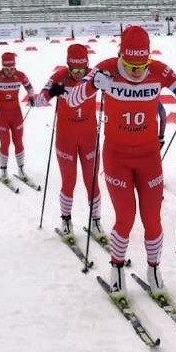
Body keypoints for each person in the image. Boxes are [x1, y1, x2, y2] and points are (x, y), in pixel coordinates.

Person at [67, 25, 176, 298]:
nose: (136, 72)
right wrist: (93, 84)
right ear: (121, 56)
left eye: (142, 65)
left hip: (149, 157)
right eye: (130, 65)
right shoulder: (106, 69)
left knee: (152, 218)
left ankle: (154, 269)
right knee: (125, 217)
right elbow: (72, 99)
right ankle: (116, 269)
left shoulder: (159, 71)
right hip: (117, 156)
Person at [33, 44, 105, 243]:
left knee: (92, 181)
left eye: (82, 70)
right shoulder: (59, 76)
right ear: (68, 65)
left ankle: (96, 221)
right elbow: (39, 100)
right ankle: (66, 221)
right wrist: (50, 94)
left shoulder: (93, 75)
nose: (78, 74)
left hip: (89, 136)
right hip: (66, 138)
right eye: (74, 70)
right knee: (69, 181)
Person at [0, 52, 36, 181]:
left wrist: (32, 97)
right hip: (1, 115)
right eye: (7, 69)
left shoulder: (20, 75)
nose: (10, 71)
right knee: (5, 143)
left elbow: (30, 87)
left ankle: (21, 170)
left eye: (12, 68)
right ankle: (4, 172)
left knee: (19, 142)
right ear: (2, 67)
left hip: (16, 114)